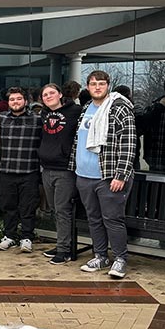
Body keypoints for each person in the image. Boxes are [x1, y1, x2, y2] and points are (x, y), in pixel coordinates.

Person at [69, 70, 136, 279]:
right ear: (87, 87)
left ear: (108, 85)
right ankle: (100, 255)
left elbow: (128, 143)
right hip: (84, 175)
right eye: (92, 84)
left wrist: (121, 175)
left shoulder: (119, 109)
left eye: (101, 83)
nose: (97, 87)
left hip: (108, 176)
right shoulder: (86, 109)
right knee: (94, 219)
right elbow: (78, 142)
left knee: (112, 219)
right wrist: (75, 169)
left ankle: (120, 259)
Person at [37, 83, 82, 264]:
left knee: (63, 210)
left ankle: (65, 251)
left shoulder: (75, 111)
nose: (48, 97)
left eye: (51, 93)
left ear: (60, 94)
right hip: (47, 168)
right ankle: (62, 244)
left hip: (65, 170)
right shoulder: (44, 114)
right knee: (55, 210)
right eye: (45, 94)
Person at [0, 87, 43, 252]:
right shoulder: (1, 119)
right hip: (7, 171)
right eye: (12, 99)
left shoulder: (37, 120)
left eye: (18, 99)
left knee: (27, 207)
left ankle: (26, 238)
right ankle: (9, 236)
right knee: (8, 206)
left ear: (25, 101)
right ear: (8, 102)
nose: (15, 102)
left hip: (29, 171)